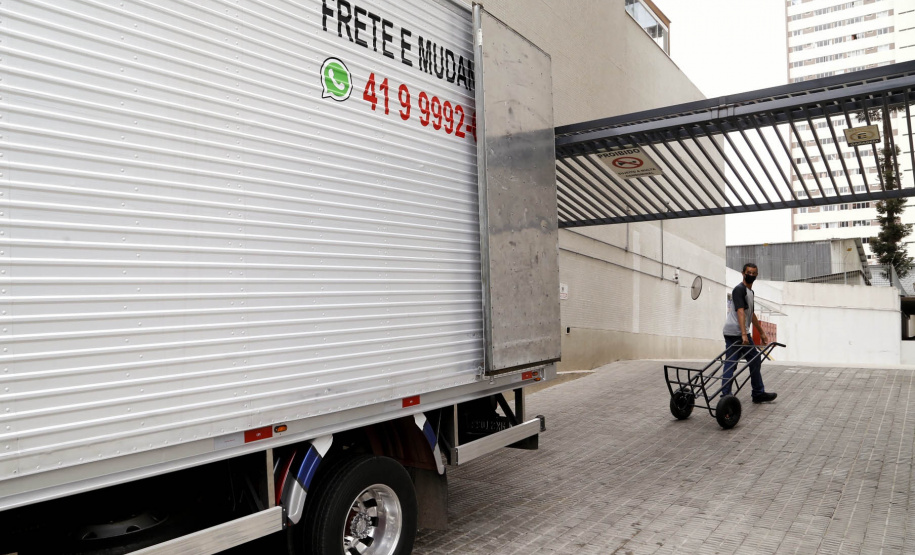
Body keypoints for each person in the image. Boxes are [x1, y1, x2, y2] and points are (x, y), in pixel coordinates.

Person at [720, 263, 777, 403]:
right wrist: (744, 334)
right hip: (736, 332)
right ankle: (725, 396)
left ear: (756, 275)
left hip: (741, 332)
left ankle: (758, 393)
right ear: (743, 273)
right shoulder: (739, 290)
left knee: (755, 359)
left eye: (753, 273)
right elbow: (740, 312)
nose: (751, 275)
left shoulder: (750, 292)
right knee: (731, 363)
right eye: (748, 272)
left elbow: (750, 314)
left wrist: (762, 333)